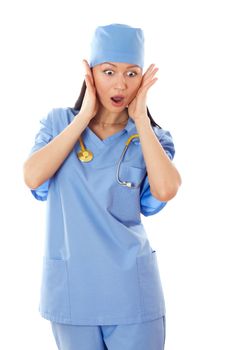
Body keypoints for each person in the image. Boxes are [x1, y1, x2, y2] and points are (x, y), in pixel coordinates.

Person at [23, 23, 182, 350]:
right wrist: (82, 118)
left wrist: (141, 121)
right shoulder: (58, 124)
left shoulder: (150, 138)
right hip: (72, 291)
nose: (120, 84)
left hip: (131, 294)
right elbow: (32, 176)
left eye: (131, 73)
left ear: (142, 80)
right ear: (90, 73)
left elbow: (165, 190)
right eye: (108, 72)